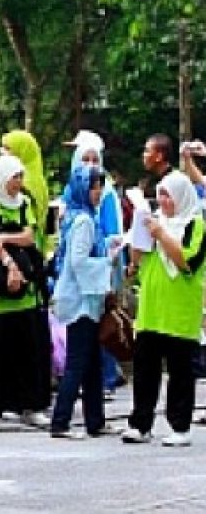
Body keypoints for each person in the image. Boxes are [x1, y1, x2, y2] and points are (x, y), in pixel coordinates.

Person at [122, 171, 206, 446]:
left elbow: (187, 261)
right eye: (161, 195)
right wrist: (139, 236)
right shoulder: (156, 221)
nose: (164, 201)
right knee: (146, 369)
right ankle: (140, 423)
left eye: (168, 195)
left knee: (181, 372)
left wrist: (161, 234)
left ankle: (180, 426)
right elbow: (138, 257)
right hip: (151, 309)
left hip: (180, 310)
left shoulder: (196, 225)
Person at [0, 154, 50, 427]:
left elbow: (28, 236)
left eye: (20, 177)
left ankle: (25, 403)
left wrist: (4, 239)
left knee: (24, 350)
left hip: (23, 294)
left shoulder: (24, 203)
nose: (18, 182)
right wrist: (8, 264)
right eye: (14, 177)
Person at [49, 159, 118, 440]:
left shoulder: (76, 217)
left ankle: (95, 420)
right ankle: (61, 421)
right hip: (81, 301)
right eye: (94, 187)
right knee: (78, 363)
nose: (98, 192)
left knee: (91, 364)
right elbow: (79, 262)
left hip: (82, 299)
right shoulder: (85, 221)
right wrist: (108, 260)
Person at [1, 128, 53, 412]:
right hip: (37, 260)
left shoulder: (25, 186)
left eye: (8, 149)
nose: (2, 155)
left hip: (27, 261)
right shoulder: (39, 180)